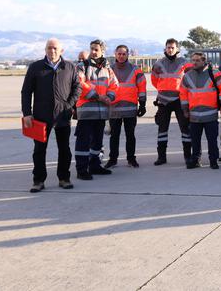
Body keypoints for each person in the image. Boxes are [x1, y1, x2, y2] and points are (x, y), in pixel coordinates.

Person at [21, 38, 81, 192]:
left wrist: (68, 106)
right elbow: (26, 91)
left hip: (62, 115)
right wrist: (27, 113)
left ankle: (64, 178)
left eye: (55, 48)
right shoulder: (35, 67)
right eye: (49, 48)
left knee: (64, 149)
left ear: (61, 51)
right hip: (40, 117)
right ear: (45, 50)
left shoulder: (70, 67)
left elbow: (77, 89)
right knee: (39, 150)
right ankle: (38, 180)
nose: (52, 51)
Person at [75, 39, 118, 180]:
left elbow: (114, 85)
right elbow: (80, 84)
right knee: (83, 141)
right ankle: (81, 169)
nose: (93, 52)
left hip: (101, 113)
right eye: (91, 49)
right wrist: (99, 97)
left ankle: (95, 165)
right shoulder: (82, 66)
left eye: (96, 50)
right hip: (86, 112)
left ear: (102, 52)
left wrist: (109, 98)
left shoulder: (108, 69)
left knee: (97, 142)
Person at [180, 52, 221, 169]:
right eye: (193, 60)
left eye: (197, 60)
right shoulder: (187, 76)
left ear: (204, 61)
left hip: (211, 115)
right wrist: (185, 110)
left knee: (212, 140)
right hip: (194, 116)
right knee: (195, 141)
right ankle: (195, 160)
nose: (194, 62)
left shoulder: (214, 73)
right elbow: (183, 94)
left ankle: (213, 160)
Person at [151, 39, 193, 166]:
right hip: (163, 101)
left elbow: (192, 76)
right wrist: (162, 90)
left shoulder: (184, 63)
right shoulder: (158, 64)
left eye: (172, 47)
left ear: (177, 49)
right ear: (165, 48)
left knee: (185, 129)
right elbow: (154, 80)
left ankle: (187, 156)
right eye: (168, 47)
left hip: (180, 100)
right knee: (162, 130)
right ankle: (161, 157)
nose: (170, 50)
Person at [106, 45, 146, 168]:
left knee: (130, 135)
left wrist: (142, 104)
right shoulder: (109, 70)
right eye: (119, 54)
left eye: (124, 54)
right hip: (114, 108)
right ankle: (113, 159)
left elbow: (142, 88)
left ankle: (131, 159)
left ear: (128, 55)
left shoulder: (135, 70)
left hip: (130, 109)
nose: (121, 56)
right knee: (114, 136)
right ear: (115, 54)